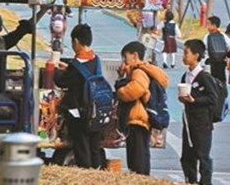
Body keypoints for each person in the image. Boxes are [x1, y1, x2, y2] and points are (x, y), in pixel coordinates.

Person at [54, 24, 105, 169]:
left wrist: (53, 68)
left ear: (76, 41)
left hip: (79, 112)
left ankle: (86, 174)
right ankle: (97, 175)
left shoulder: (76, 67)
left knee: (81, 146)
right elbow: (81, 72)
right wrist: (69, 67)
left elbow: (61, 81)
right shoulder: (96, 60)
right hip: (96, 110)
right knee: (94, 147)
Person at [116, 41, 169, 175]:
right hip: (142, 119)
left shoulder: (139, 72)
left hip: (137, 119)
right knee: (141, 155)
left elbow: (135, 89)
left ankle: (141, 180)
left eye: (125, 58)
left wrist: (120, 90)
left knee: (137, 158)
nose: (124, 62)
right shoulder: (144, 70)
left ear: (134, 56)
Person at [180, 39, 218, 185]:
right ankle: (190, 180)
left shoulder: (204, 77)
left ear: (196, 56)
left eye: (186, 53)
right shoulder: (186, 76)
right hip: (188, 121)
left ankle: (206, 182)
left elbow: (212, 98)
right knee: (187, 156)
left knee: (202, 155)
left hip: (202, 123)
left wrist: (194, 100)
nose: (183, 56)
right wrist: (184, 99)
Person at [203, 16, 230, 83]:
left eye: (208, 24)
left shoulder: (207, 36)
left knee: (210, 80)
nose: (206, 25)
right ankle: (222, 91)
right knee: (222, 79)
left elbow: (203, 48)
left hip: (210, 61)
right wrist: (226, 55)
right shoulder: (223, 35)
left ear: (214, 25)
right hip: (221, 61)